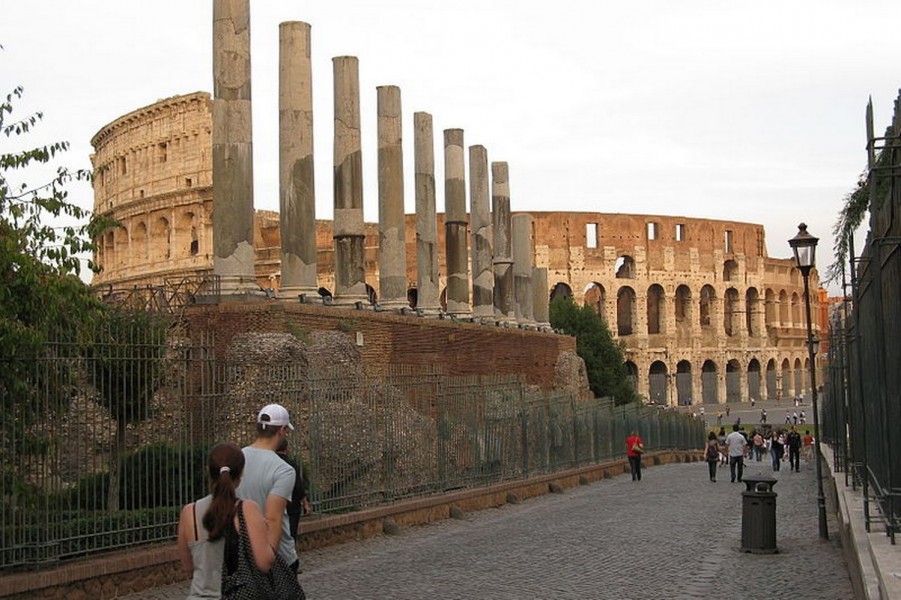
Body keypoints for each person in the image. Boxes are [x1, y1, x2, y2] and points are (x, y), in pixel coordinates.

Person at [177, 443, 274, 599]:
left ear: (208, 470)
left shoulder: (189, 512)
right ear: (241, 472)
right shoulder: (247, 509)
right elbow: (264, 562)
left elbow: (188, 567)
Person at [238, 403, 300, 573]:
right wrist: (268, 558)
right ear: (281, 430)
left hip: (241, 549)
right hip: (277, 556)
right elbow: (273, 518)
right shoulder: (284, 470)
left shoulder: (238, 458)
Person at [276, 437, 312, 539]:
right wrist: (305, 503)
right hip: (292, 503)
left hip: (274, 502)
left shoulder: (270, 462)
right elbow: (298, 486)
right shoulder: (291, 464)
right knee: (291, 533)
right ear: (286, 448)